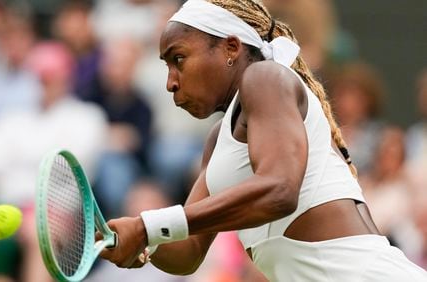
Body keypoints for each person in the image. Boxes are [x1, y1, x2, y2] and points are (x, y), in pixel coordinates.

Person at [99, 0, 427, 281]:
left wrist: (149, 226)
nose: (170, 82)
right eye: (167, 66)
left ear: (231, 47)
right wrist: (141, 242)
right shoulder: (219, 140)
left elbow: (280, 189)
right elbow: (189, 251)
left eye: (179, 59)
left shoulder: (266, 77)